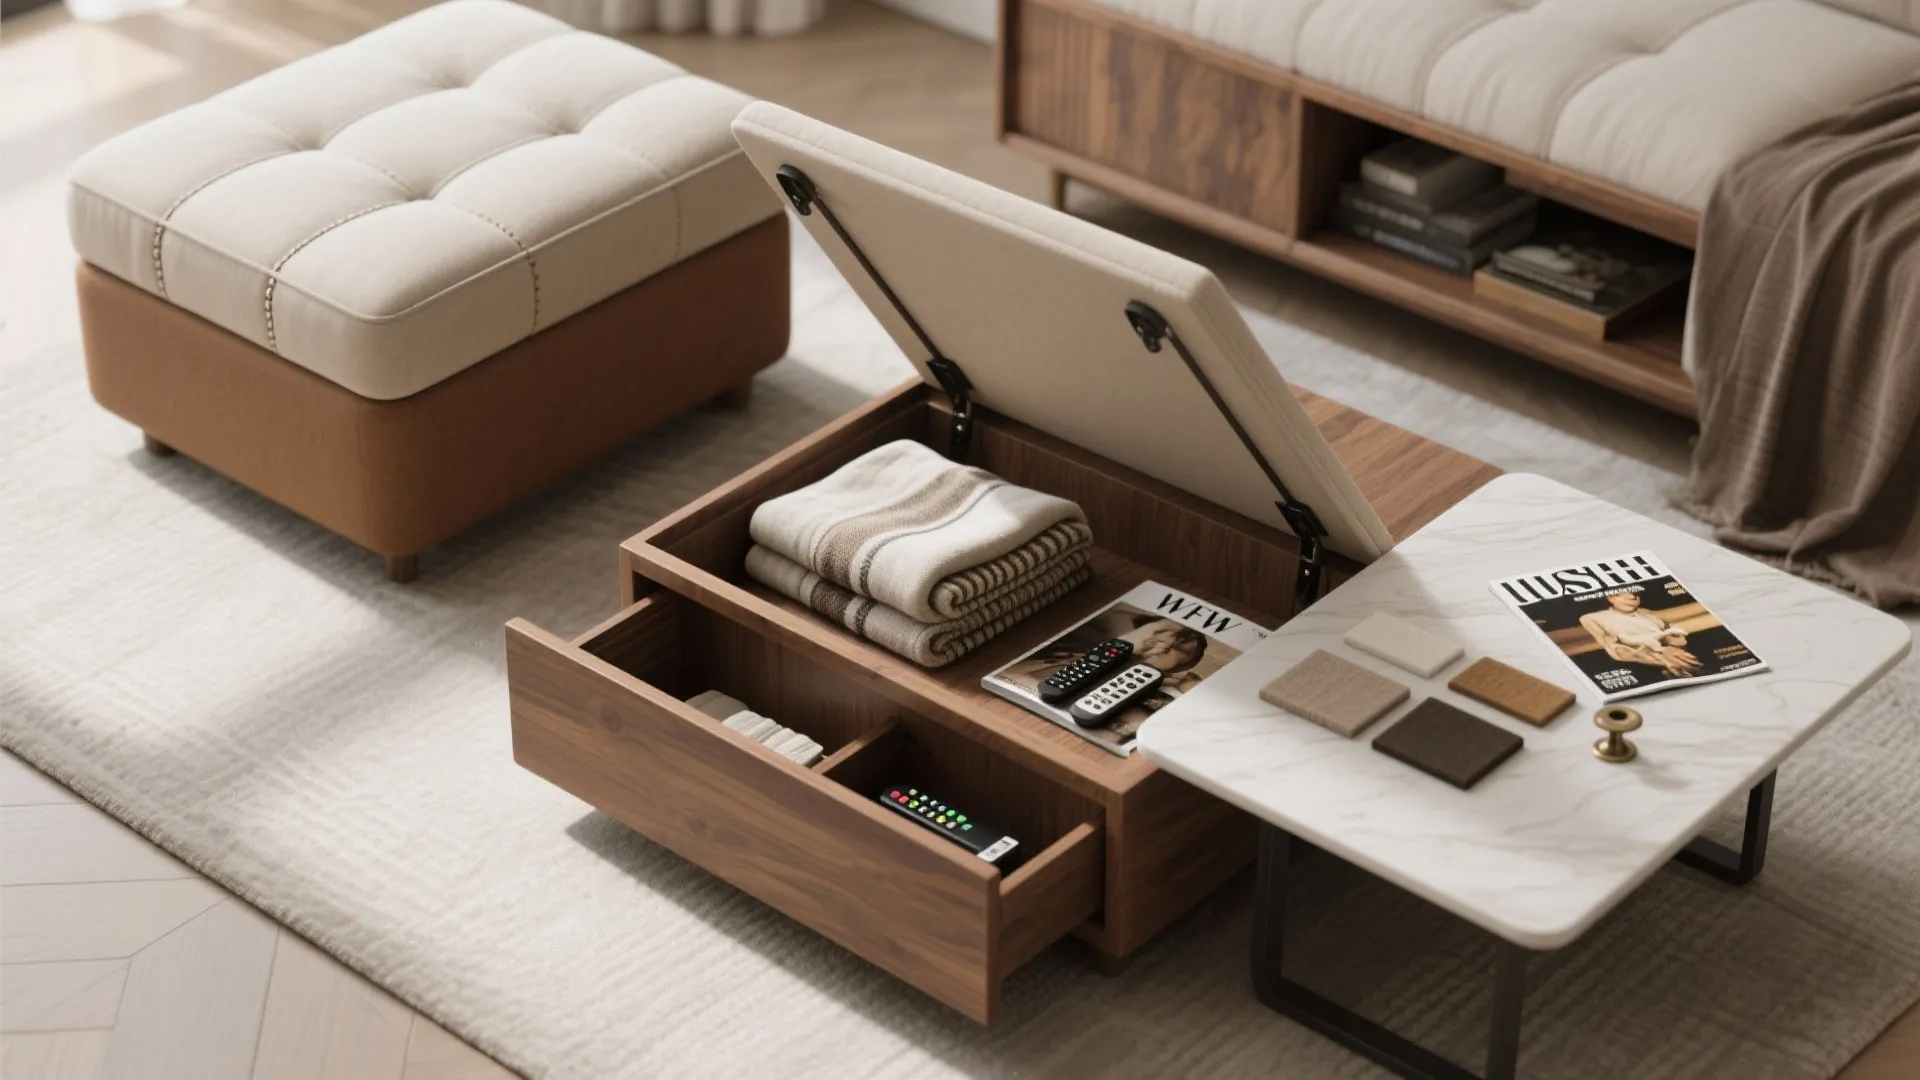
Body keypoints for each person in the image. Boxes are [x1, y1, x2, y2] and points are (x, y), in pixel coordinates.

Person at [1578, 590, 1701, 678]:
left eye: (1635, 594)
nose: (1632, 597)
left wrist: (1673, 644)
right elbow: (1615, 649)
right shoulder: (1592, 618)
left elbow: (1678, 638)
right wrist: (1661, 655)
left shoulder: (1647, 613)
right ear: (1610, 598)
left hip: (1682, 657)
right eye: (1622, 595)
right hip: (1643, 667)